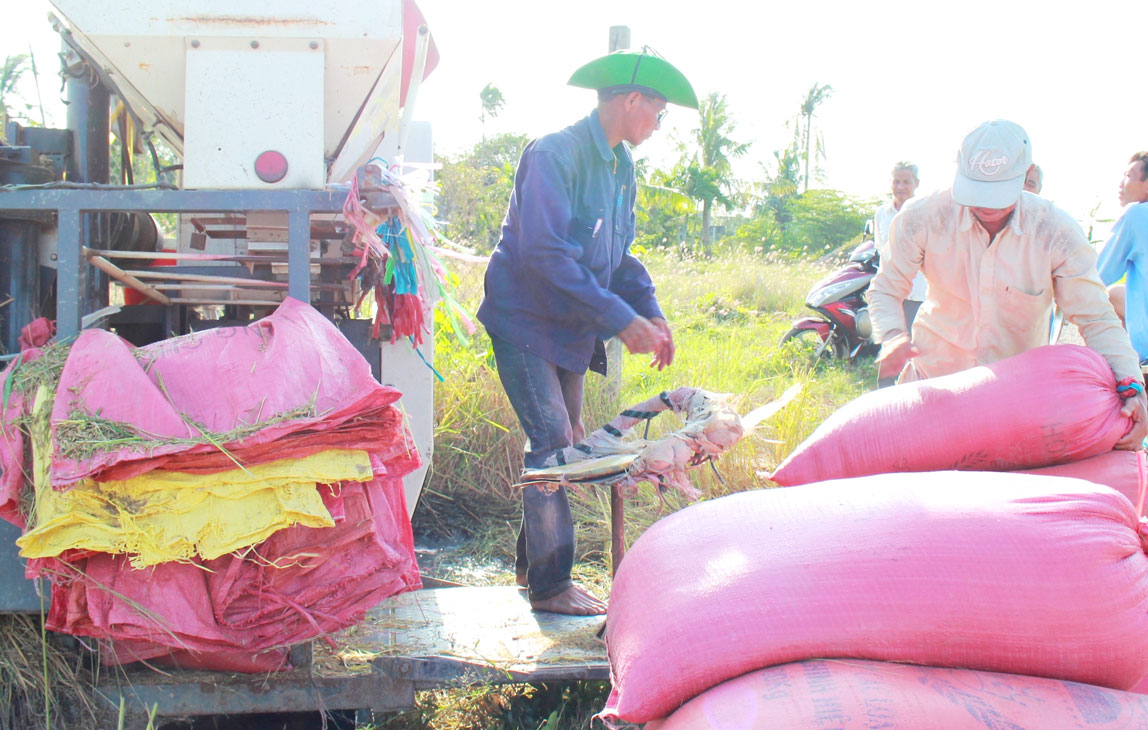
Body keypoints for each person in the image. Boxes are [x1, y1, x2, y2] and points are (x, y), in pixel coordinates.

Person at [476, 49, 698, 615]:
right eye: (659, 112)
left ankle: (530, 572)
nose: (658, 123)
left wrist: (649, 309)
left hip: (571, 328)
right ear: (631, 101)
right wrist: (621, 321)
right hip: (525, 319)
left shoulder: (622, 167)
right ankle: (552, 587)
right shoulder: (555, 154)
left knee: (563, 448)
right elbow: (544, 253)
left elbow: (618, 258)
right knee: (552, 441)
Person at [869, 120, 1147, 449]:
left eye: (999, 194)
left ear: (1026, 175)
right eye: (977, 191)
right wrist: (892, 337)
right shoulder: (923, 217)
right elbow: (885, 289)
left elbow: (1096, 317)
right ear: (958, 171)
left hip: (1016, 405)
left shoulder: (1054, 232)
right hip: (932, 386)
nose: (987, 206)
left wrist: (1131, 385)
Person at [1097, 152, 1148, 359]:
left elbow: (1098, 274)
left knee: (1104, 294)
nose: (1121, 184)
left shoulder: (1137, 215)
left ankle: (1126, 363)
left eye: (1128, 176)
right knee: (1116, 293)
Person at [873, 162, 925, 330]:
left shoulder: (926, 212)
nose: (900, 186)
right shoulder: (881, 213)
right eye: (896, 181)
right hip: (890, 295)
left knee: (916, 347)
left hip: (918, 294)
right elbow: (881, 250)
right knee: (890, 347)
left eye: (906, 182)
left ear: (916, 183)